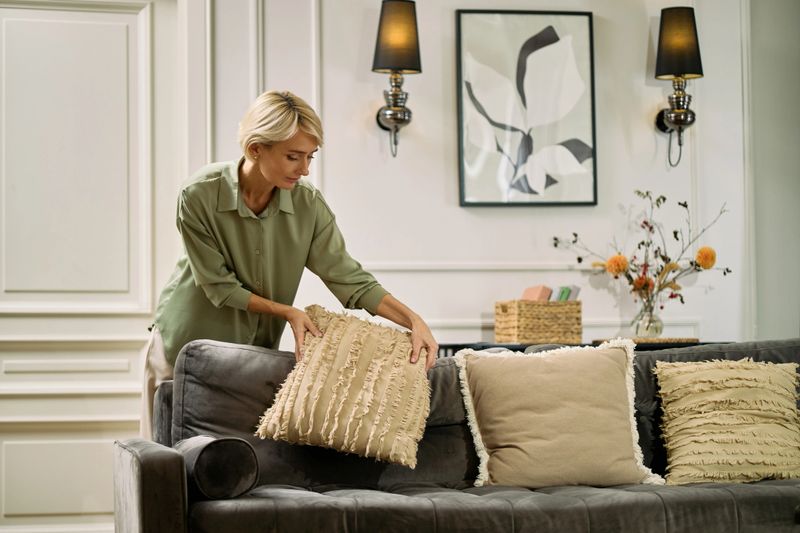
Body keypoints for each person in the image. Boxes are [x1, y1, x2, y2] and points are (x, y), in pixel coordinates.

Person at [139, 90, 438, 438]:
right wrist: (288, 312)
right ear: (255, 149)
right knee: (163, 466)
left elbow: (350, 280)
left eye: (311, 156)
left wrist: (413, 320)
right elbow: (218, 287)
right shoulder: (200, 194)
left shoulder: (308, 206)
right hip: (183, 348)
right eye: (293, 156)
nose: (305, 169)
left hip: (251, 358)